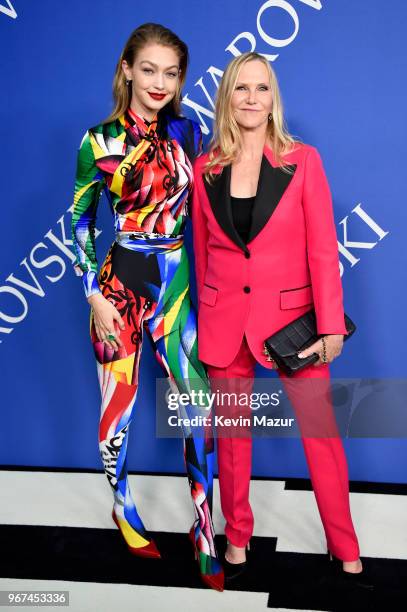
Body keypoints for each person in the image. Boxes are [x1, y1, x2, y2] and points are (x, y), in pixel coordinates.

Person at [192, 51, 372, 589]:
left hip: (293, 324)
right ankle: (238, 533)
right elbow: (203, 253)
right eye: (241, 88)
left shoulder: (304, 160)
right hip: (225, 322)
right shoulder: (206, 168)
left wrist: (331, 325)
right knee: (232, 439)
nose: (251, 98)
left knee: (321, 436)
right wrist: (202, 320)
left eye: (261, 88)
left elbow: (322, 247)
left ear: (274, 98)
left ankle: (344, 544)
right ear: (227, 97)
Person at [71, 22, 224, 592]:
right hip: (117, 290)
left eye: (172, 72)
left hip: (177, 285)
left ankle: (205, 529)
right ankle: (121, 504)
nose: (160, 82)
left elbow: (205, 208)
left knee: (201, 411)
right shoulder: (97, 142)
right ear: (128, 70)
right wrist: (92, 294)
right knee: (119, 413)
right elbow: (82, 221)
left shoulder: (189, 130)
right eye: (150, 69)